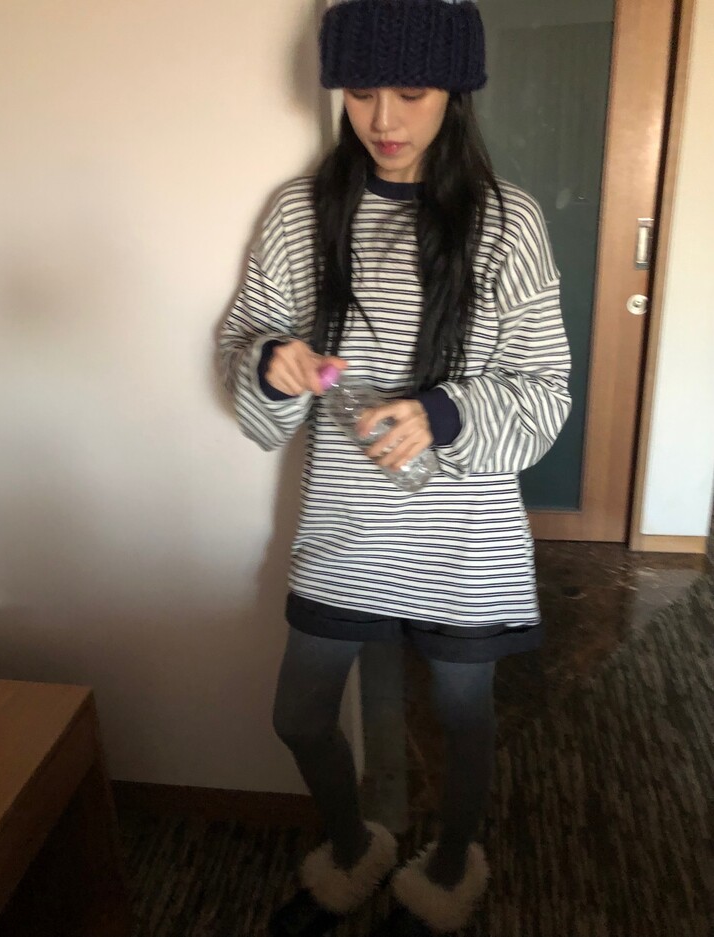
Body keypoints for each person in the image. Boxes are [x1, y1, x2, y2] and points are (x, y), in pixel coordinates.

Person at [219, 1, 571, 934]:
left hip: (463, 534)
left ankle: (452, 864)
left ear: (455, 90)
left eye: (411, 91)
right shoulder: (301, 214)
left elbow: (544, 390)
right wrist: (272, 360)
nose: (383, 118)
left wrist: (442, 413)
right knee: (300, 713)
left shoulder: (509, 222)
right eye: (360, 91)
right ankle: (350, 847)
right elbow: (245, 339)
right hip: (345, 524)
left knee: (464, 717)